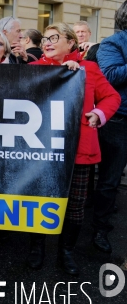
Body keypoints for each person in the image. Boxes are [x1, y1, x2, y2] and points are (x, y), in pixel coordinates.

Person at [29, 22, 120, 275]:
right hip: (42, 149)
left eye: (54, 38)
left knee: (76, 205)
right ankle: (37, 247)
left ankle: (66, 251)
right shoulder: (33, 70)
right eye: (45, 38)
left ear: (71, 43)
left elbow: (112, 97)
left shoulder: (88, 69)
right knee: (41, 200)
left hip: (80, 149)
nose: (47, 42)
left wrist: (98, 114)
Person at [92, 1, 127, 255]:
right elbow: (111, 76)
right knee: (109, 182)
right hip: (119, 123)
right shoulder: (112, 43)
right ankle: (99, 229)